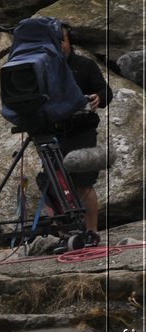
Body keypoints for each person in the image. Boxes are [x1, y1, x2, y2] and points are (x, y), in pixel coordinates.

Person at [59, 22, 113, 236]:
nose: (58, 44)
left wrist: (99, 98)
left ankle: (92, 232)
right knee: (55, 184)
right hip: (54, 133)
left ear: (70, 40)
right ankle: (65, 234)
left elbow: (105, 91)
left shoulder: (85, 65)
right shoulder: (45, 69)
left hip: (82, 132)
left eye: (61, 39)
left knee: (83, 184)